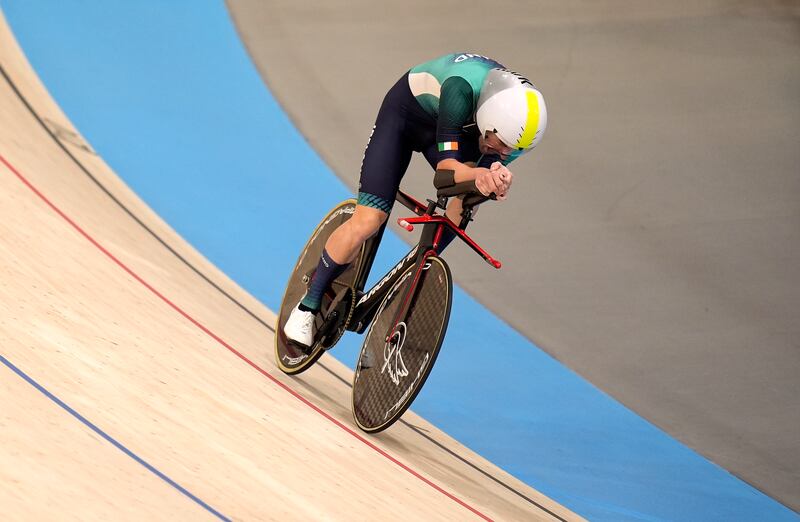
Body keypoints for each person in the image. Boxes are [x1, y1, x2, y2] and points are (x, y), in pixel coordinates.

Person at [284, 52, 548, 347]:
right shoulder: (460, 89)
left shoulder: (514, 131)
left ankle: (421, 267)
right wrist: (478, 177)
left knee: (467, 200)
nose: (504, 153)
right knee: (369, 219)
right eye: (501, 146)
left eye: (512, 151)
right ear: (491, 122)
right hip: (406, 117)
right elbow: (446, 173)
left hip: (460, 132)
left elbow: (480, 177)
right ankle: (308, 303)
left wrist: (494, 183)